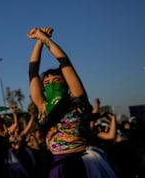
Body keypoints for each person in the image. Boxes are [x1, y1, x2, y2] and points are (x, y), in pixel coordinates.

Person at [27, 27, 115, 178]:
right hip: (58, 165)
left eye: (56, 80)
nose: (51, 84)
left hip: (85, 164)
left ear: (66, 83)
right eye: (46, 82)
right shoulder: (42, 106)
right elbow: (33, 72)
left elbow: (64, 61)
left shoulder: (77, 99)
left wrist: (45, 39)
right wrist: (38, 41)